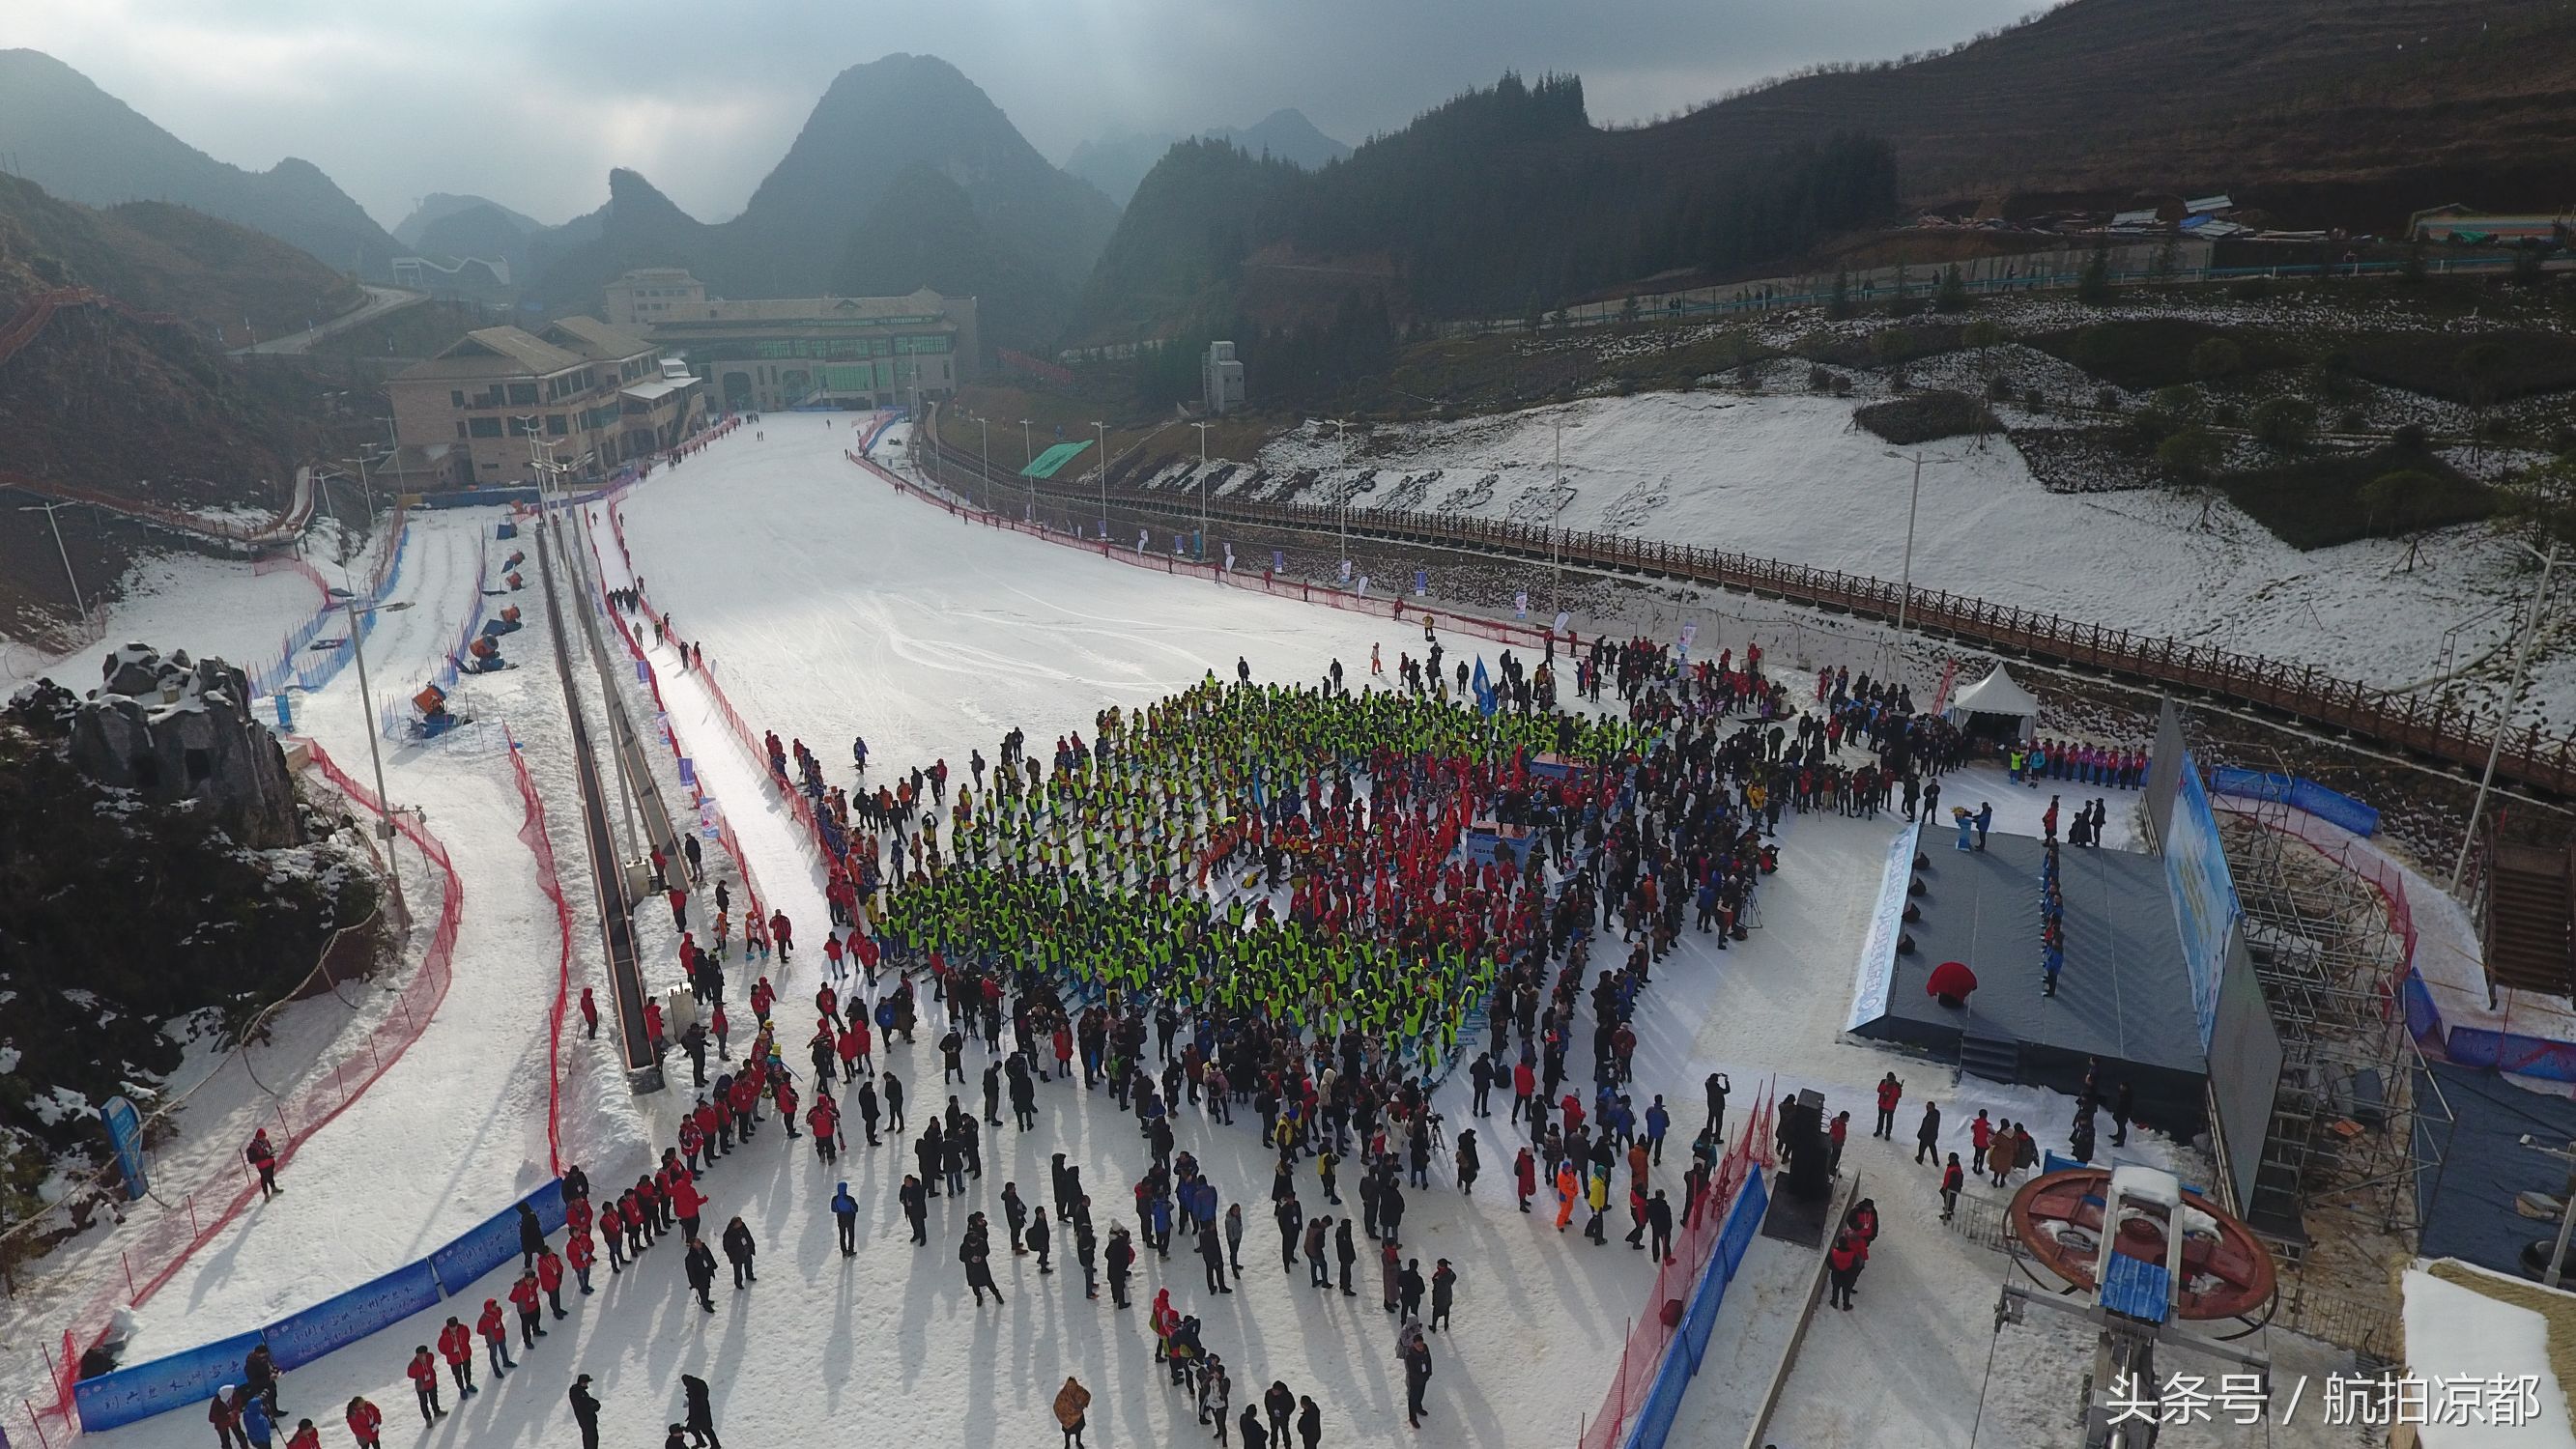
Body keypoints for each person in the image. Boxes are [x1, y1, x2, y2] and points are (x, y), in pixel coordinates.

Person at [436, 1317, 474, 1398]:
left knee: (467, 1370)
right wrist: (449, 1354)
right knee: (457, 1374)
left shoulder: (463, 1329)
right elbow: (441, 1348)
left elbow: (467, 1337)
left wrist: (464, 1346)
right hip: (453, 1359)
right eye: (451, 1327)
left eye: (455, 1327)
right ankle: (461, 1389)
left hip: (465, 1355)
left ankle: (468, 1384)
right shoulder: (444, 1337)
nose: (453, 1329)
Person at [682, 1373, 723, 1449]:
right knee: (704, 1430)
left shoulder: (693, 1390)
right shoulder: (698, 1386)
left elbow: (694, 1406)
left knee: (704, 1430)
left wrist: (691, 1417)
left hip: (699, 1415)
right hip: (702, 1414)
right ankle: (706, 1443)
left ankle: (713, 1445)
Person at [404, 1347, 444, 1422]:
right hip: (421, 1387)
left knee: (434, 1398)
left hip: (431, 1382)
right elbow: (410, 1374)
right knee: (424, 1403)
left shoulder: (430, 1357)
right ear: (417, 1355)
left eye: (424, 1354)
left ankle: (437, 1411)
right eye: (420, 1355)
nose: (423, 1356)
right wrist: (419, 1378)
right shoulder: (413, 1365)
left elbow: (431, 1363)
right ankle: (428, 1419)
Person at [1054, 1376, 1093, 1449]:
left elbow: (1087, 1395)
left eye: (1073, 1385)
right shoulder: (1063, 1394)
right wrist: (1063, 1415)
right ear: (1067, 1385)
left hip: (1078, 1418)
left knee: (1078, 1431)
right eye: (1069, 1385)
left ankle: (1078, 1442)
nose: (1071, 1387)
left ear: (1075, 1384)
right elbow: (1057, 1405)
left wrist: (1083, 1404)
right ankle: (1067, 1445)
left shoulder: (1079, 1391)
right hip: (1067, 1420)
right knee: (1067, 1434)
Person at [684, 1237, 719, 1313]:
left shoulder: (704, 1248)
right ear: (693, 1245)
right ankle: (706, 1305)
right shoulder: (690, 1258)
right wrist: (694, 1283)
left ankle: (705, 1300)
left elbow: (709, 1256)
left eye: (699, 1241)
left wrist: (713, 1265)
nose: (700, 1243)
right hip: (699, 1278)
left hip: (706, 1272)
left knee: (707, 1288)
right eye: (698, 1242)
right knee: (703, 1291)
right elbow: (690, 1272)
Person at [245, 1129, 281, 1199]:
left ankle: (273, 1188)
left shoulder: (266, 1141)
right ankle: (266, 1194)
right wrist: (266, 1156)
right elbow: (254, 1159)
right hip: (263, 1166)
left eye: (264, 1137)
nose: (264, 1138)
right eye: (262, 1137)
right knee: (264, 1179)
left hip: (270, 1163)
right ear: (258, 1137)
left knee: (270, 1176)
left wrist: (272, 1152)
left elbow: (269, 1149)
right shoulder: (253, 1146)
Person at [569, 1376, 602, 1449]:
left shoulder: (580, 1392)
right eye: (586, 1382)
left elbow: (587, 1401)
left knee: (592, 1439)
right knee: (591, 1440)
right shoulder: (578, 1392)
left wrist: (595, 1402)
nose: (587, 1384)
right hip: (587, 1421)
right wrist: (595, 1406)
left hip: (587, 1421)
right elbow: (585, 1407)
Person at [1430, 1259, 1456, 1330]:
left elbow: (1437, 1285)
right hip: (1447, 1297)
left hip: (1439, 1298)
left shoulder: (1440, 1276)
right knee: (1446, 1310)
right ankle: (1446, 1324)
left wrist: (1436, 1280)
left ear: (1442, 1266)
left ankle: (1434, 1327)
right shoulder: (1450, 1272)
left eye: (1438, 1265)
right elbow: (1454, 1277)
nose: (1437, 1266)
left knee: (1435, 1313)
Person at [1873, 1073, 1901, 1140]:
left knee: (1889, 1121)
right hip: (1882, 1105)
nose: (1890, 1081)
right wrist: (1885, 1086)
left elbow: (1898, 1095)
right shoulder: (1883, 1082)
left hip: (1891, 1107)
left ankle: (1888, 1133)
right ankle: (1879, 1130)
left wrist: (1893, 1088)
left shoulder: (1897, 1085)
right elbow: (1879, 1090)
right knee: (1880, 1119)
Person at [1915, 1100, 1942, 1165]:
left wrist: (1921, 1134)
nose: (1927, 1108)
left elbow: (1926, 1127)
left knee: (1922, 1148)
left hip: (1927, 1136)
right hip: (1933, 1136)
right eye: (1926, 1106)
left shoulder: (1931, 1116)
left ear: (1933, 1107)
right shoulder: (1934, 1113)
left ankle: (1920, 1159)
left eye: (1928, 1107)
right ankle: (1936, 1161)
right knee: (1932, 1146)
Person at [1940, 1152, 1964, 1222]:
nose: (1949, 1159)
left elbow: (1954, 1182)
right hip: (1948, 1187)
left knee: (1950, 1200)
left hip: (1951, 1189)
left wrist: (1947, 1188)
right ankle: (1949, 1209)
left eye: (1950, 1158)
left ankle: (1948, 1214)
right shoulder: (1954, 1165)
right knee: (1948, 1200)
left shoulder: (1955, 1170)